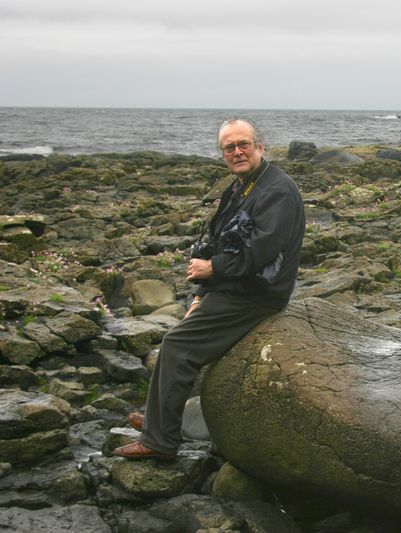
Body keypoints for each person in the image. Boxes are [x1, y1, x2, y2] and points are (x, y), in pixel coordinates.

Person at [112, 118, 305, 460]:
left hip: (259, 294)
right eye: (229, 147)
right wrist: (201, 294)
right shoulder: (240, 186)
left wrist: (213, 269)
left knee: (177, 345)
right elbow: (217, 242)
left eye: (243, 144)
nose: (237, 152)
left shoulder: (277, 190)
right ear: (223, 154)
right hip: (236, 286)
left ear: (260, 147)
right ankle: (158, 421)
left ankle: (160, 442)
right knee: (179, 336)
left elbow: (262, 253)